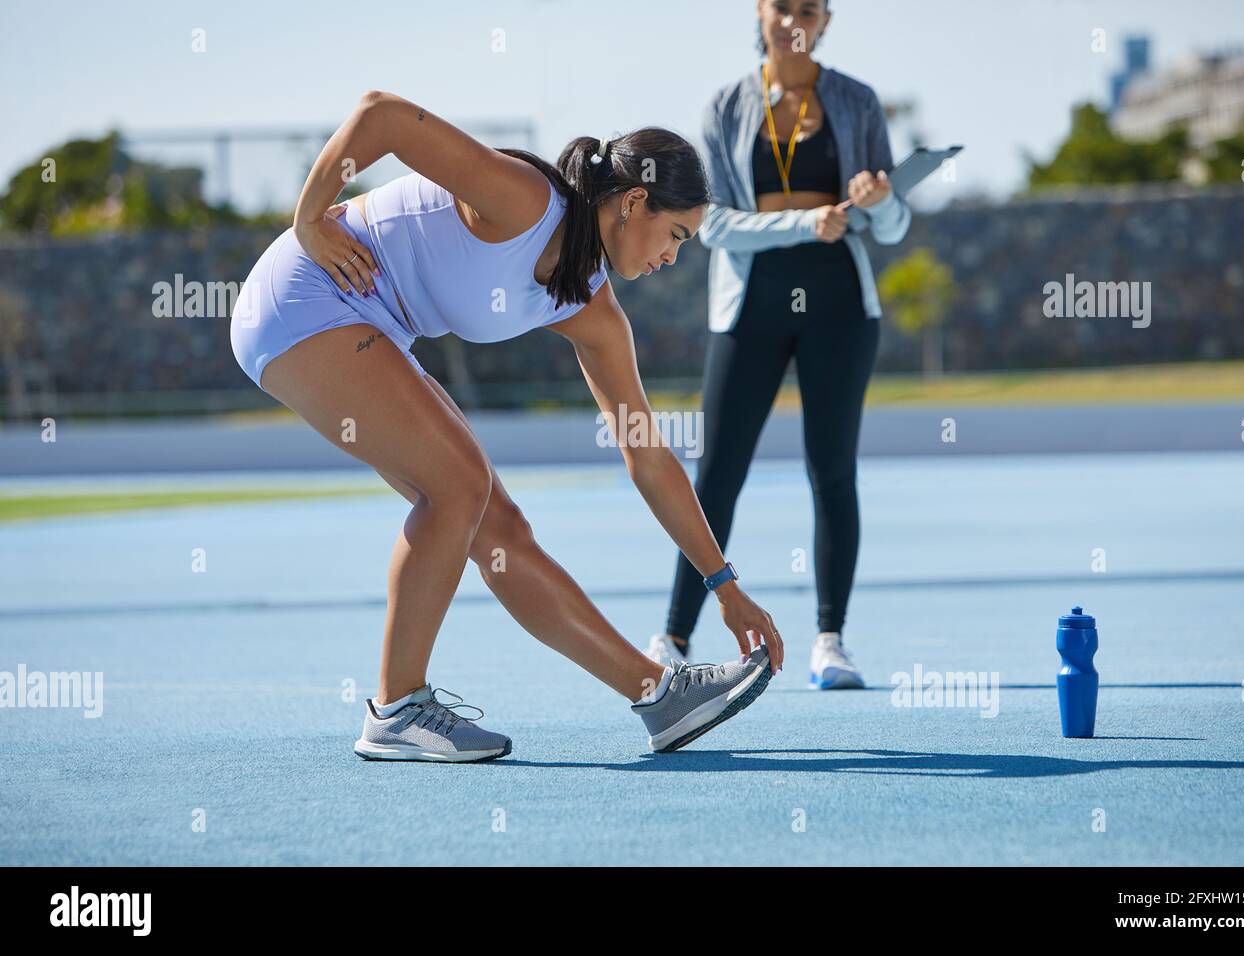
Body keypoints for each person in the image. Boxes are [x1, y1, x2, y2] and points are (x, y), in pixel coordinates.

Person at [228, 90, 785, 760]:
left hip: (371, 324)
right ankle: (397, 707)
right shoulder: (523, 201)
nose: (674, 258)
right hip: (303, 296)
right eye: (678, 236)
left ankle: (657, 697)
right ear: (636, 203)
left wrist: (723, 584)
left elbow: (648, 456)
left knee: (498, 525)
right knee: (457, 487)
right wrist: (310, 217)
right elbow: (382, 116)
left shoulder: (591, 310)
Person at [644, 0, 910, 689]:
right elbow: (716, 226)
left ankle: (831, 640)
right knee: (716, 477)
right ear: (759, 13)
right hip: (749, 307)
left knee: (832, 472)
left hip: (842, 309)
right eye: (780, 5)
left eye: (808, 8)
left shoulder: (858, 101)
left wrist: (879, 201)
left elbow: (892, 226)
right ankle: (673, 637)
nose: (793, 19)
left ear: (826, 18)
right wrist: (804, 222)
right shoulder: (726, 105)